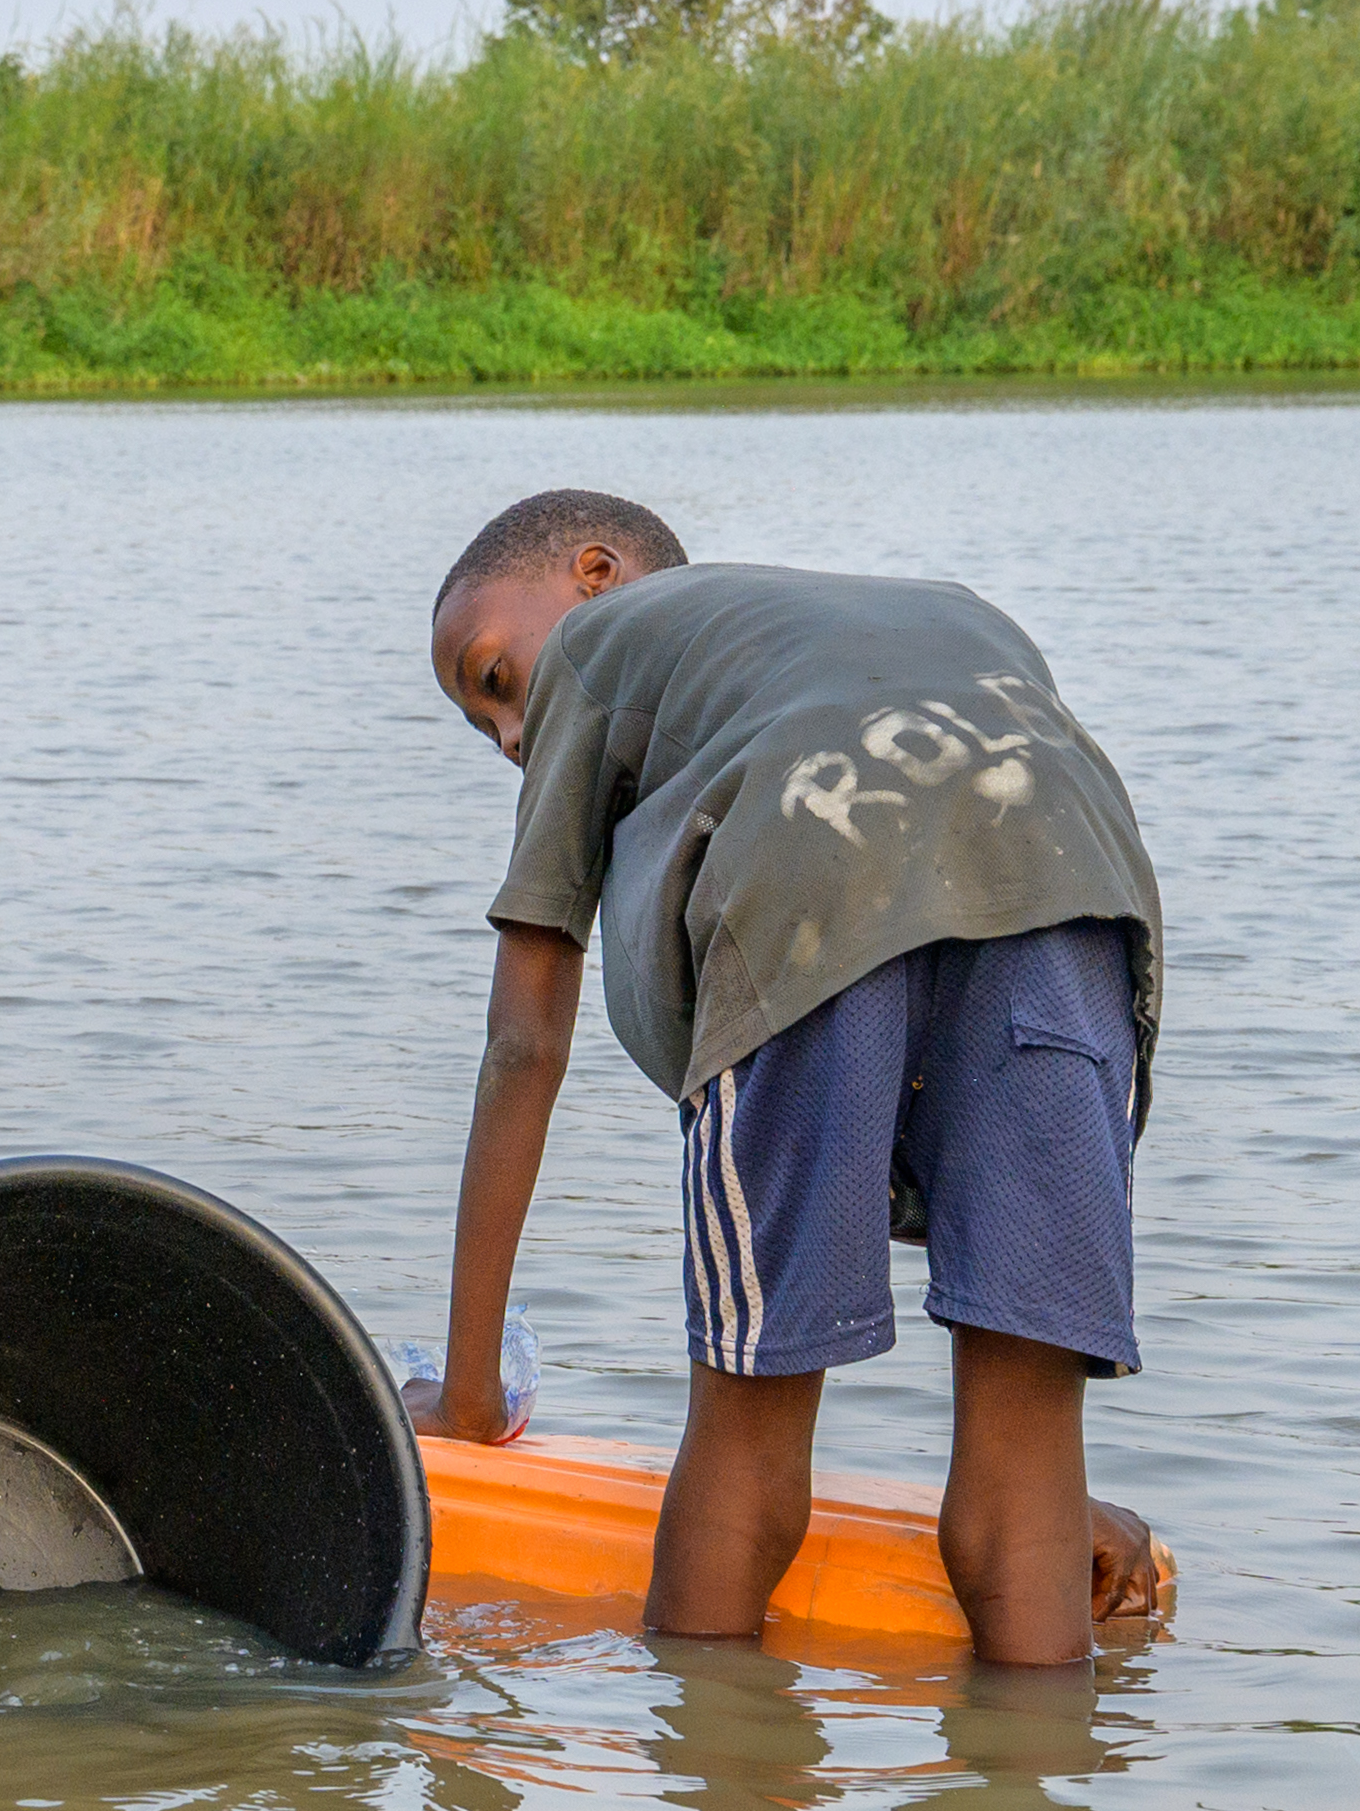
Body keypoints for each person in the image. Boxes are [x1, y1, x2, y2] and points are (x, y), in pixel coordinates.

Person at [419, 490, 1179, 1668]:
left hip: (810, 875)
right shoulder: (925, 615)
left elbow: (525, 1038)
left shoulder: (596, 645)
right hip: (1075, 892)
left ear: (594, 572)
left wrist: (468, 1400)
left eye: (492, 681)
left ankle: (722, 1801)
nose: (513, 738)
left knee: (749, 1433)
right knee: (1026, 1460)